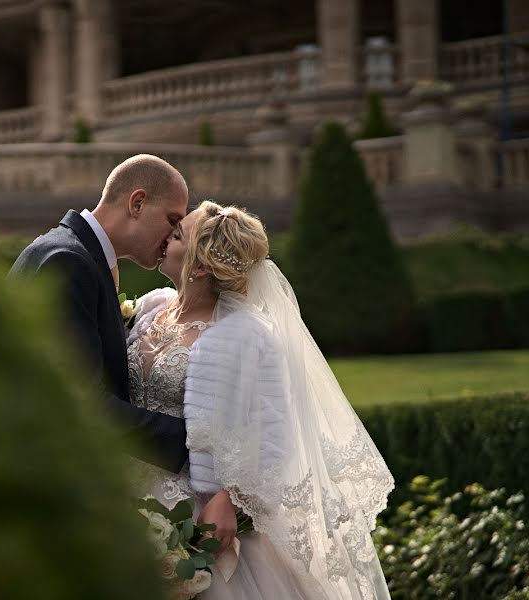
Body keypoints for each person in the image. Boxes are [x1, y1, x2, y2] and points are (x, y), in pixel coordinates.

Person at [127, 200, 394, 598]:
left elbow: (274, 435)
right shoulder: (151, 308)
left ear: (199, 267)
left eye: (178, 235)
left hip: (197, 516)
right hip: (128, 491)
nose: (167, 237)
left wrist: (229, 500)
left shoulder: (246, 335)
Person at [9, 155, 240, 550]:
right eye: (171, 220)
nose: (172, 236)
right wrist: (200, 448)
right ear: (137, 203)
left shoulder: (70, 253)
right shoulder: (69, 262)